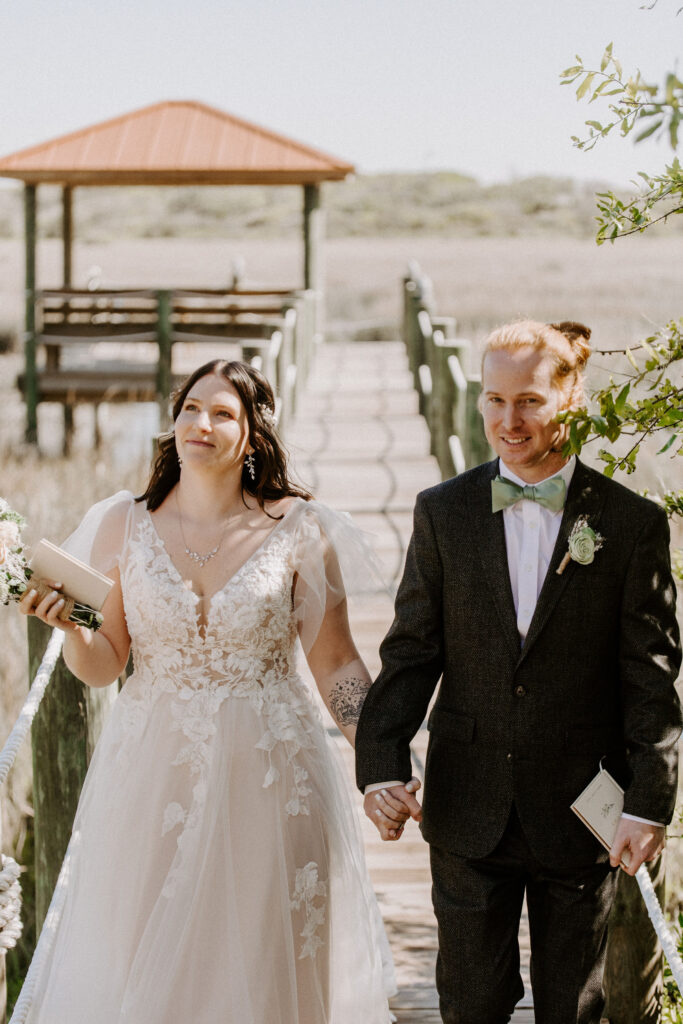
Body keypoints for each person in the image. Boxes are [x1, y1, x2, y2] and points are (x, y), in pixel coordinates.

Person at [18, 358, 397, 1024]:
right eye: (191, 408)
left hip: (272, 774)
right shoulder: (121, 524)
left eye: (223, 413)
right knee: (149, 958)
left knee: (261, 958)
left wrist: (383, 765)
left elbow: (336, 663)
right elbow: (106, 664)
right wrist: (71, 631)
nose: (202, 423)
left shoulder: (298, 530)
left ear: (253, 437)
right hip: (153, 775)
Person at [355, 320, 682, 1024]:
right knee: (469, 1004)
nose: (508, 420)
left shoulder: (629, 525)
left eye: (529, 400)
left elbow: (650, 679)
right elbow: (412, 651)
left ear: (571, 395)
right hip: (466, 803)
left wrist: (647, 803)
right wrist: (380, 761)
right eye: (493, 399)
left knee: (575, 1006)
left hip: (581, 810)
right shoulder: (442, 513)